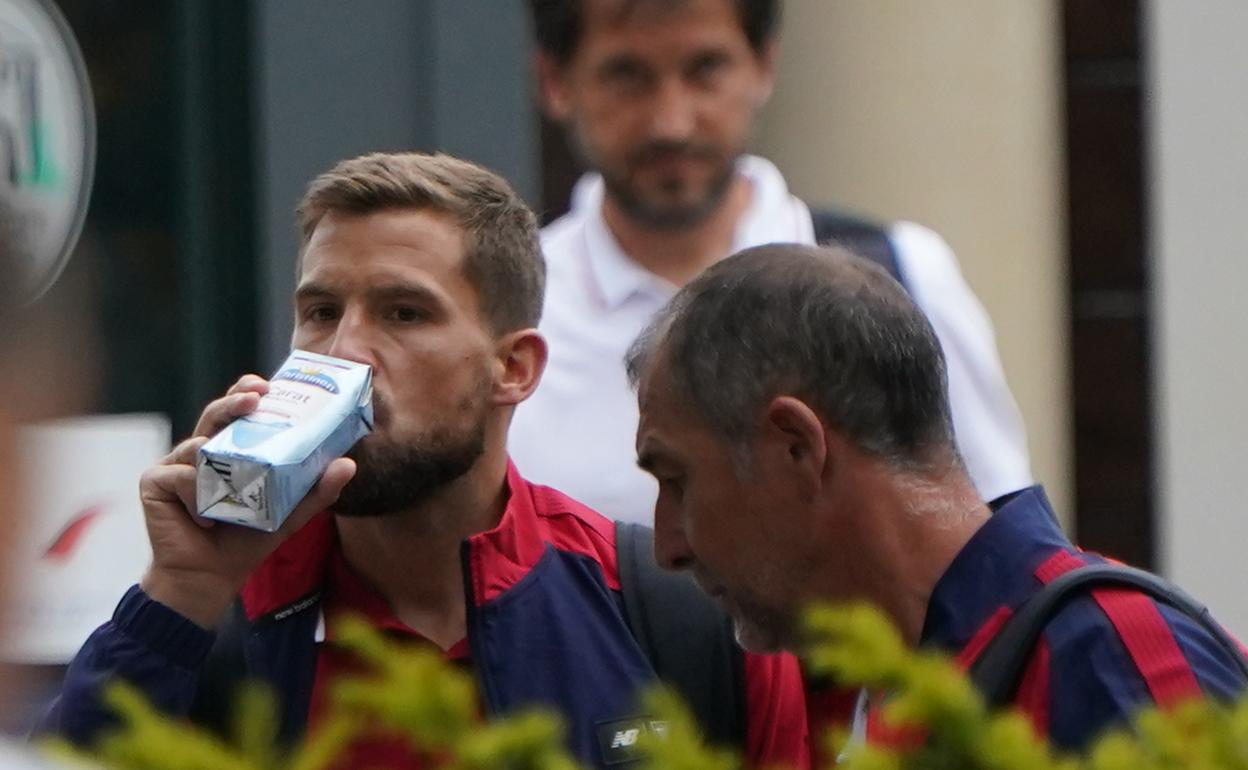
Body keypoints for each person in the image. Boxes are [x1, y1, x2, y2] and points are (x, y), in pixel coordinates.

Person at [35, 152, 808, 769]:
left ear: (515, 369)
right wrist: (178, 594)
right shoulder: (223, 621)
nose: (346, 353)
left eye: (405, 314)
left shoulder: (675, 618)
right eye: (320, 313)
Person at [625, 242, 1248, 752]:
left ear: (797, 447)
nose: (666, 546)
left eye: (677, 480)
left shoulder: (1108, 656)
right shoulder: (837, 696)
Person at [509, 0, 1033, 526]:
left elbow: (1001, 547)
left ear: (764, 64)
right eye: (627, 76)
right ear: (555, 80)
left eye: (706, 69)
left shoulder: (904, 276)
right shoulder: (511, 312)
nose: (672, 122)